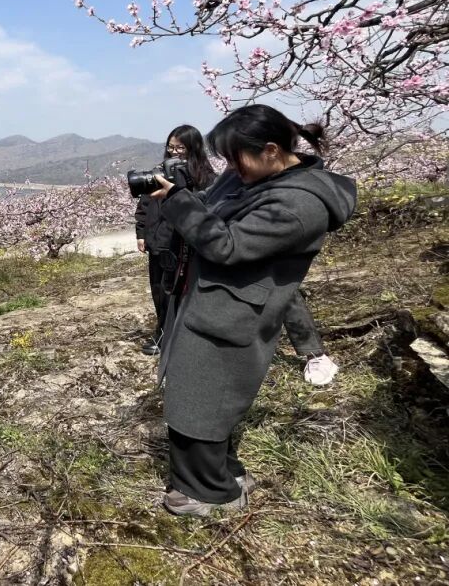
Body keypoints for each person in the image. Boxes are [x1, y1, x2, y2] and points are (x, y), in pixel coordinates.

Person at [151, 105, 356, 517]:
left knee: (202, 401)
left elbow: (227, 246)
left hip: (236, 311)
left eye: (235, 157)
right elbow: (211, 208)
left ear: (270, 150)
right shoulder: (257, 175)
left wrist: (178, 203)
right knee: (195, 394)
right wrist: (187, 198)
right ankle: (222, 476)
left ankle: (209, 493)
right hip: (213, 298)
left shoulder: (300, 204)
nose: (230, 167)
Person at [134, 125, 216, 356]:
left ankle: (185, 333)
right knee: (159, 289)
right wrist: (141, 233)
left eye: (180, 147)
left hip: (187, 244)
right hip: (159, 242)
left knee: (183, 290)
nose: (174, 152)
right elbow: (144, 205)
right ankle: (162, 331)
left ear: (193, 148)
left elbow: (209, 208)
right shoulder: (157, 172)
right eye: (171, 147)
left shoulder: (205, 177)